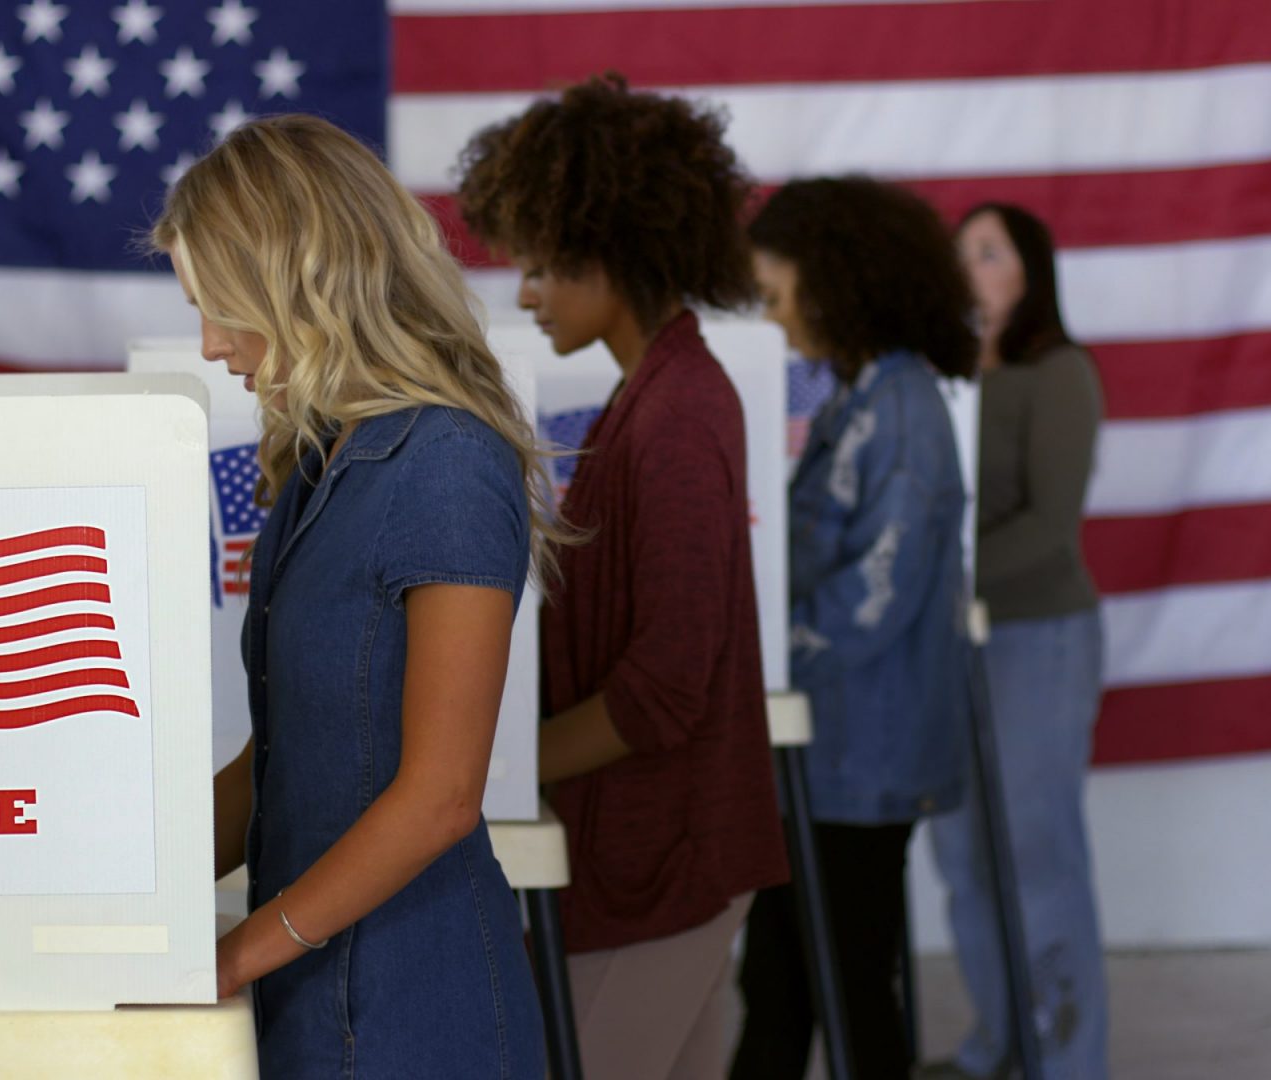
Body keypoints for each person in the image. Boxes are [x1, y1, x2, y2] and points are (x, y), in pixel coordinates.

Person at [160, 114, 565, 1077]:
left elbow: (440, 799)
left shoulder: (449, 462)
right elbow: (283, 761)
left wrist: (231, 956)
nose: (212, 344)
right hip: (313, 991)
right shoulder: (316, 460)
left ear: (302, 280)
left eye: (223, 306)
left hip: (417, 1008)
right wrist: (123, 888)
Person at [457, 74, 790, 1080]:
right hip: (658, 850)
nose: (522, 291)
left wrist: (489, 774)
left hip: (665, 854)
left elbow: (667, 681)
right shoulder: (653, 398)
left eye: (542, 263)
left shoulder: (677, 412)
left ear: (612, 244)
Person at [729, 177, 978, 1080]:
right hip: (828, 753)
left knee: (844, 986)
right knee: (789, 980)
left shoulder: (901, 412)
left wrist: (748, 656)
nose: (776, 320)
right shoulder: (860, 397)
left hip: (861, 758)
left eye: (779, 297)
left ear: (838, 285)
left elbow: (874, 598)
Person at [929, 203, 1108, 1080]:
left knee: (1038, 853)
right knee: (962, 858)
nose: (971, 267)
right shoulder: (939, 377)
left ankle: (1069, 1060)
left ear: (1029, 272)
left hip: (1037, 636)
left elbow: (1052, 522)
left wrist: (942, 580)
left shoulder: (1059, 373)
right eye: (960, 252)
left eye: (989, 253)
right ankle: (999, 1043)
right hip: (949, 645)